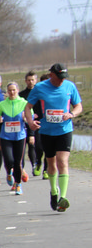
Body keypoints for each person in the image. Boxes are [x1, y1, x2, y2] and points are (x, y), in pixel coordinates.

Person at [24, 63, 84, 211]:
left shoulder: (70, 86)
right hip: (46, 131)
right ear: (51, 75)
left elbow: (79, 106)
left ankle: (63, 198)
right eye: (59, 77)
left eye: (64, 77)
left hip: (64, 130)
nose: (62, 80)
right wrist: (30, 122)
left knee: (62, 161)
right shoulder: (40, 87)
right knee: (51, 164)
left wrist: (72, 114)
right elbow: (27, 107)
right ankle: (53, 190)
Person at [0, 82, 30, 195]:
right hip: (5, 136)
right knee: (9, 160)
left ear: (17, 90)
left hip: (19, 136)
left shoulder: (24, 103)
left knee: (18, 162)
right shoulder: (2, 104)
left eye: (14, 90)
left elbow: (30, 116)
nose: (12, 92)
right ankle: (9, 172)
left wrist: (26, 118)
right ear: (7, 92)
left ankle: (18, 184)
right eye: (9, 90)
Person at [20, 70, 43, 175]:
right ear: (26, 81)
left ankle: (38, 161)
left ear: (36, 80)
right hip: (25, 123)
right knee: (29, 145)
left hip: (38, 123)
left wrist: (37, 115)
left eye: (33, 80)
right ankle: (32, 165)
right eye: (29, 80)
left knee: (38, 145)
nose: (31, 82)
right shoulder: (22, 95)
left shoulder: (40, 93)